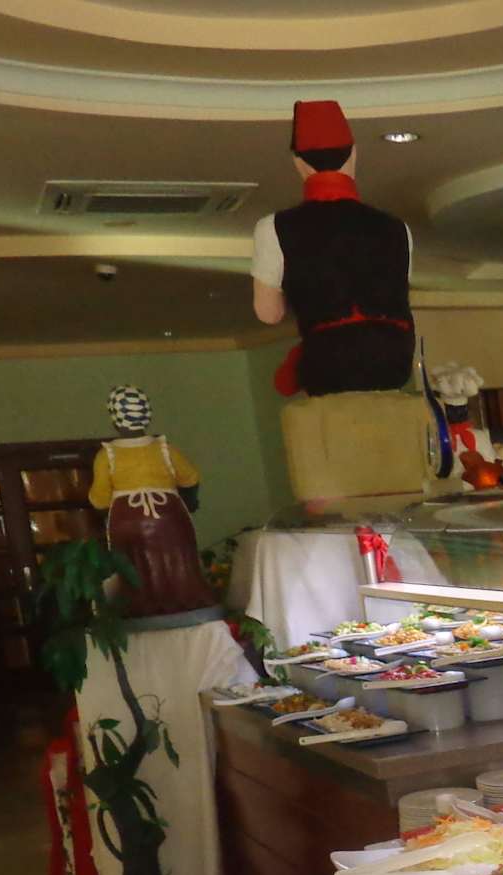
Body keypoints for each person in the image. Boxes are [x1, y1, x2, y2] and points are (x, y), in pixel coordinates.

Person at [251, 99, 415, 398]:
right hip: (395, 363)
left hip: (330, 365)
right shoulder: (398, 228)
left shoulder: (273, 227)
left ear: (297, 163)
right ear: (354, 154)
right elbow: (400, 297)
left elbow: (268, 314)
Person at [88, 386, 215, 619]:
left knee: (136, 563)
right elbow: (191, 477)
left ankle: (142, 607)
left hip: (128, 519)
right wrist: (189, 502)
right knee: (177, 558)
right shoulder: (165, 449)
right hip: (170, 515)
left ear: (115, 419)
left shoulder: (107, 455)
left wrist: (103, 512)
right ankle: (185, 600)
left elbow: (99, 498)